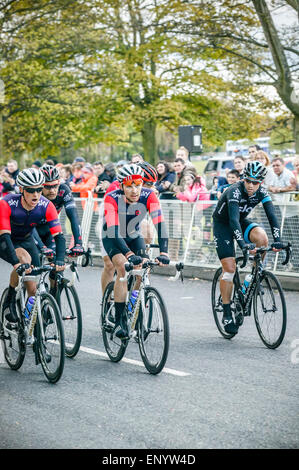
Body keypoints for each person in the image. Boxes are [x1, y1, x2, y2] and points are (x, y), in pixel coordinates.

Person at [213, 161, 284, 335]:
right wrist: (242, 244)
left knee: (262, 238)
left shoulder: (261, 192)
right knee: (229, 269)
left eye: (256, 182)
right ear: (244, 179)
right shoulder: (234, 191)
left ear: (261, 182)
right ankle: (228, 310)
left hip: (240, 222)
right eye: (248, 181)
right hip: (224, 225)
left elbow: (272, 215)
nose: (251, 185)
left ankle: (255, 275)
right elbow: (233, 220)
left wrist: (278, 240)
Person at [102, 163, 170, 339]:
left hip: (133, 233)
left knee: (141, 270)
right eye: (129, 185)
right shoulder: (111, 197)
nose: (134, 190)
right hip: (113, 235)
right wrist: (129, 254)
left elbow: (160, 224)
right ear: (122, 185)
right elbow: (113, 230)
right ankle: (118, 320)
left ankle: (133, 305)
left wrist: (164, 252)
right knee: (123, 268)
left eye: (138, 184)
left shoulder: (149, 195)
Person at [0, 168, 66, 323]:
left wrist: (60, 260)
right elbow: (5, 236)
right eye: (31, 190)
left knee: (32, 287)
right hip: (5, 239)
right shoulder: (7, 203)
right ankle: (9, 299)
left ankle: (30, 324)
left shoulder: (46, 205)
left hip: (26, 239)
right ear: (22, 189)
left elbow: (59, 236)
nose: (36, 194)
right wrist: (17, 263)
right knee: (24, 259)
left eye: (38, 189)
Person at [33, 164, 83, 257]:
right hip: (31, 230)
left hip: (49, 229)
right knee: (31, 263)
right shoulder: (34, 194)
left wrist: (78, 243)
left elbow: (74, 217)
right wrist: (42, 247)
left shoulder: (64, 190)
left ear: (59, 182)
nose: (52, 190)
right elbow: (29, 226)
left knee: (58, 260)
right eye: (47, 187)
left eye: (55, 185)